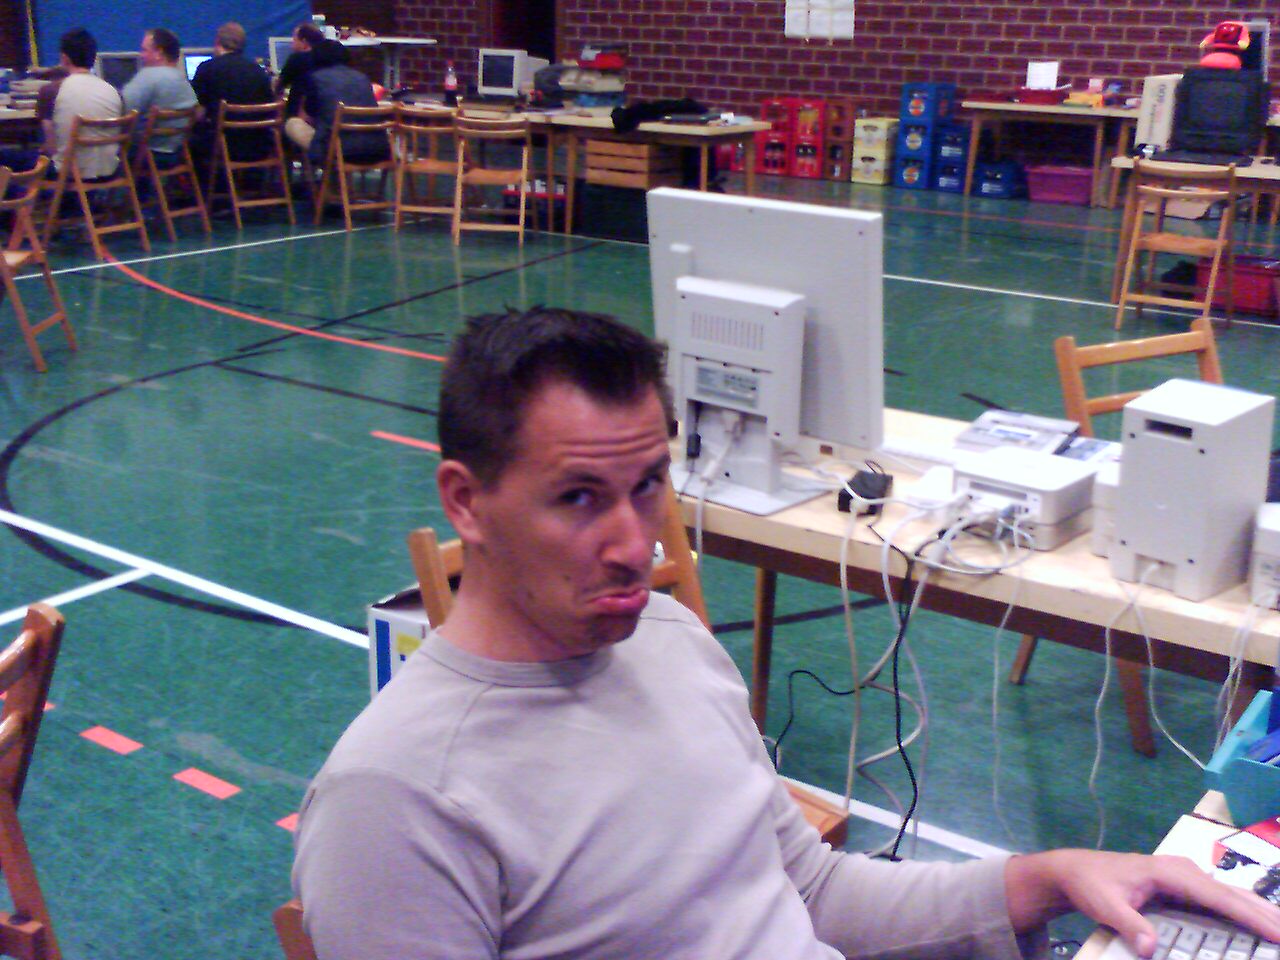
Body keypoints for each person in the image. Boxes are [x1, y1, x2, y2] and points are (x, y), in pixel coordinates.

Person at [292, 308, 1280, 959]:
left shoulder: (667, 640)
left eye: (647, 484)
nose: (635, 544)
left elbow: (809, 893)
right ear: (465, 502)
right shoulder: (397, 801)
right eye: (578, 497)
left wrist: (1045, 878)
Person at [0, 28, 121, 181]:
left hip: (67, 174)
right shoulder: (114, 92)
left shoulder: (50, 91)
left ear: (64, 58)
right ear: (94, 57)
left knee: (8, 156)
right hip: (110, 172)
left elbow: (51, 147)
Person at [283, 40, 388, 167]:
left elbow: (307, 118)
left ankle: (311, 173)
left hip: (338, 150)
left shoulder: (315, 78)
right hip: (377, 149)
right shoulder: (362, 78)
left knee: (292, 123)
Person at [189, 22, 272, 164]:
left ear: (217, 42)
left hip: (223, 147)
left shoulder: (207, 68)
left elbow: (198, 112)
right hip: (260, 145)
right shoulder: (258, 70)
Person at [121, 28, 197, 164]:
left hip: (146, 156)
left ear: (159, 53)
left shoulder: (148, 76)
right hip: (176, 155)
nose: (141, 55)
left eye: (144, 50)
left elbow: (122, 110)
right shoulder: (183, 82)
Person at [274, 21, 326, 117]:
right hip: (322, 114)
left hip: (299, 115)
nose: (292, 42)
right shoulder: (326, 58)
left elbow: (279, 86)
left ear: (304, 42)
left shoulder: (296, 58)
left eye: (294, 39)